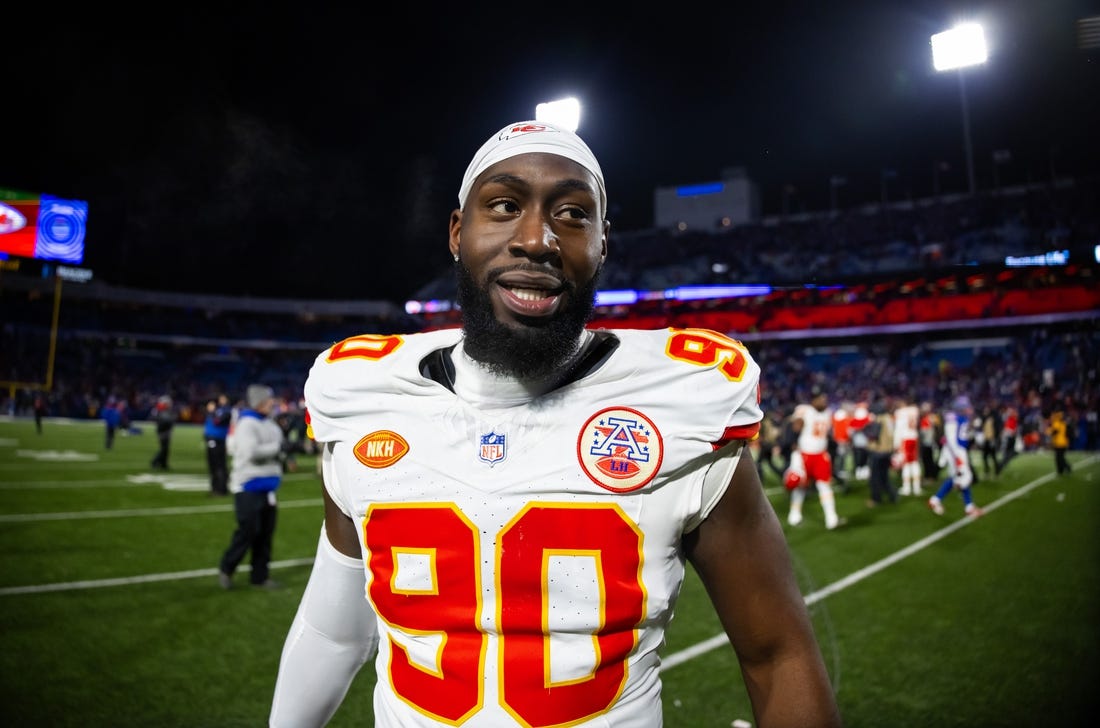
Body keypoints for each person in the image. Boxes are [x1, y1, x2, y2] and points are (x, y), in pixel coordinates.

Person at [269, 121, 842, 727]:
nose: (537, 239)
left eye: (572, 213)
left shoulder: (680, 402)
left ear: (602, 243)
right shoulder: (364, 396)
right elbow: (334, 634)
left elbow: (777, 655)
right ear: (458, 232)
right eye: (505, 205)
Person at [218, 384, 286, 590]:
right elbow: (250, 452)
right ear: (258, 402)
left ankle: (260, 576)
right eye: (267, 400)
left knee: (265, 534)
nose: (272, 403)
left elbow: (276, 450)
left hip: (268, 487)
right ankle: (227, 568)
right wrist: (278, 449)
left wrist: (285, 452)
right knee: (248, 531)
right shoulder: (247, 423)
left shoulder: (271, 424)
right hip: (248, 485)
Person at [784, 387, 843, 530]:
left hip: (820, 455)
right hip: (804, 455)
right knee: (799, 485)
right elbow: (794, 428)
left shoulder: (827, 413)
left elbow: (828, 434)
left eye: (824, 398)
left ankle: (831, 517)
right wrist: (792, 445)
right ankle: (794, 514)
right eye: (821, 399)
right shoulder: (805, 411)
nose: (824, 401)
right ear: (814, 400)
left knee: (824, 485)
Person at [928, 397, 983, 518]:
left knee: (958, 478)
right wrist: (957, 457)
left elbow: (964, 434)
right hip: (956, 452)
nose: (969, 409)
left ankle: (937, 500)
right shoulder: (952, 419)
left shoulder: (963, 418)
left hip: (958, 451)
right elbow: (952, 440)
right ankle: (967, 506)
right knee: (965, 477)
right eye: (967, 407)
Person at [864, 403, 897, 508]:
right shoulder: (888, 418)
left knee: (875, 477)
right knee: (884, 476)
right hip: (888, 451)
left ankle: (876, 498)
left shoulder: (879, 419)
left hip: (878, 451)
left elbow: (873, 435)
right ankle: (893, 495)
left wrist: (865, 429)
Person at [892, 393, 922, 496]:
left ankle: (907, 487)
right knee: (915, 462)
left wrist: (896, 443)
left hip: (905, 439)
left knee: (906, 463)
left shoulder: (900, 412)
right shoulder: (915, 410)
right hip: (914, 437)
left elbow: (898, 429)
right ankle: (917, 487)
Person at [204, 394, 232, 496]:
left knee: (218, 464)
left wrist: (212, 411)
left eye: (223, 398)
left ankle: (220, 489)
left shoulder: (226, 411)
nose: (221, 400)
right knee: (214, 465)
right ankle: (216, 487)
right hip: (213, 439)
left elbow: (217, 421)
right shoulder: (219, 410)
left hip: (218, 440)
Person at [149, 395, 176, 470]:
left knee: (166, 449)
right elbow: (166, 421)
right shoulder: (162, 411)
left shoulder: (161, 411)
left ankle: (164, 464)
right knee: (164, 449)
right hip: (163, 432)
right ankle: (155, 461)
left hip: (164, 431)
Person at [1047, 409, 1073, 475]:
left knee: (1059, 458)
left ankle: (1064, 468)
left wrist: (1049, 431)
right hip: (1063, 442)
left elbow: (1055, 432)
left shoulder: (1057, 422)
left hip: (1059, 443)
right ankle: (1062, 469)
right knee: (1060, 457)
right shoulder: (1063, 423)